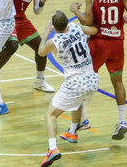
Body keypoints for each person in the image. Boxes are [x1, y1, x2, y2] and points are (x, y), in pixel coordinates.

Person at [70, 0, 127, 140]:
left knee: (81, 79)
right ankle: (122, 121)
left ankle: (82, 120)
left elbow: (87, 22)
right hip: (117, 45)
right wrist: (126, 21)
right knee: (118, 82)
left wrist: (74, 10)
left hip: (99, 44)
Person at [37, 11, 99, 167]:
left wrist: (45, 33)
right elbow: (94, 31)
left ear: (55, 26)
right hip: (92, 79)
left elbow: (40, 51)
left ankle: (52, 149)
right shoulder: (76, 27)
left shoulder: (54, 41)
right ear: (66, 23)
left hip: (75, 83)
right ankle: (72, 132)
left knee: (50, 114)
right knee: (77, 101)